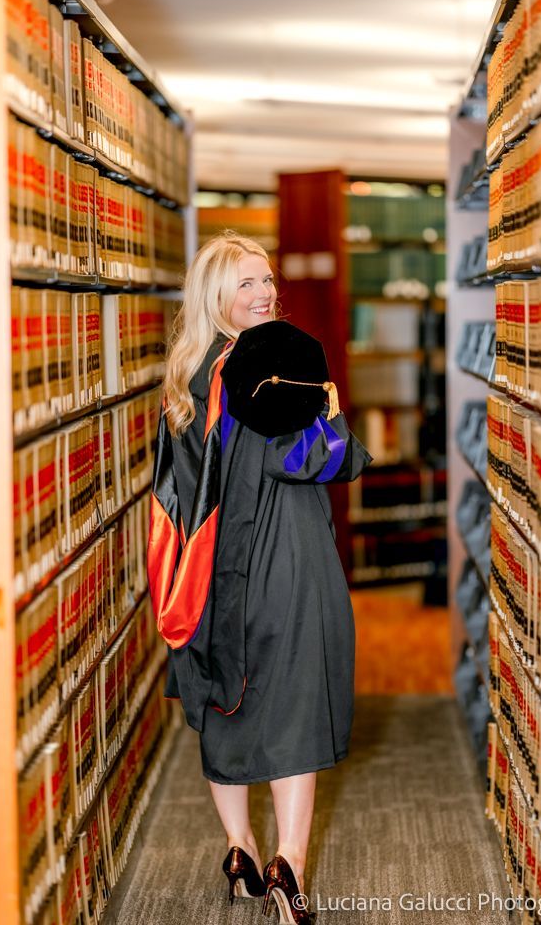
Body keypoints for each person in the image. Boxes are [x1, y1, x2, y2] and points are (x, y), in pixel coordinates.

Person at [147, 230, 372, 923]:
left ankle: (240, 847)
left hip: (205, 574)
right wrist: (336, 424)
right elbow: (317, 459)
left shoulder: (184, 381)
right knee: (293, 708)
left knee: (225, 705)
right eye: (246, 283)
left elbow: (171, 491)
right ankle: (289, 864)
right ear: (217, 294)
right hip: (285, 562)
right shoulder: (266, 367)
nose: (265, 292)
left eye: (267, 280)